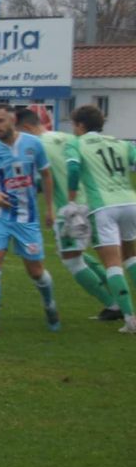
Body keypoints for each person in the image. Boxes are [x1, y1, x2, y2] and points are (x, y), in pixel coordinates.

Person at [15, 108, 119, 320]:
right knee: (85, 254)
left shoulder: (35, 147)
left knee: (71, 260)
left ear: (25, 128)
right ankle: (117, 296)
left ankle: (113, 305)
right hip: (95, 203)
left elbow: (38, 181)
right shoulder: (68, 137)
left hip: (68, 208)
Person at [0, 104, 59, 336]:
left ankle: (50, 305)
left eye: (0, 121)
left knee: (36, 271)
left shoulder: (33, 144)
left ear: (13, 119)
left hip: (27, 218)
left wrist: (50, 209)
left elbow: (47, 175)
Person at [66, 105, 136, 333]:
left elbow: (74, 170)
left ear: (80, 125)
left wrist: (72, 196)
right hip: (129, 202)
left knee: (112, 263)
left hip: (103, 207)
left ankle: (129, 319)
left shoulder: (76, 144)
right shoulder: (121, 143)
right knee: (131, 258)